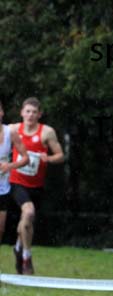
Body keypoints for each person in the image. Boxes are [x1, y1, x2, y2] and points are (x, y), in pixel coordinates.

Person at [9, 97, 64, 275]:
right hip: (16, 182)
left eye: (34, 112)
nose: (30, 115)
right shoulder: (13, 130)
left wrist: (49, 158)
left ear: (39, 114)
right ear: (22, 113)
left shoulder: (47, 132)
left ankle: (18, 247)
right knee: (29, 212)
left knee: (26, 221)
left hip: (36, 185)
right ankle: (27, 257)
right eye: (27, 111)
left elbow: (60, 155)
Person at [0, 101, 30, 257]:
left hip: (2, 188)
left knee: (0, 230)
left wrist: (10, 166)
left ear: (2, 112)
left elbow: (26, 158)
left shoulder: (10, 132)